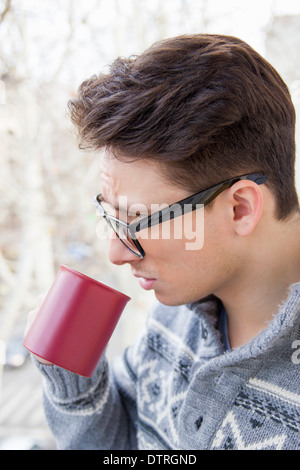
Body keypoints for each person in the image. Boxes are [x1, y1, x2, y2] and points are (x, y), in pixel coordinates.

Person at [28, 34, 300, 450]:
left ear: (241, 208)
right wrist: (73, 381)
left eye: (138, 220)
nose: (115, 253)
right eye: (111, 215)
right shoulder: (173, 317)